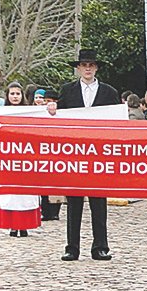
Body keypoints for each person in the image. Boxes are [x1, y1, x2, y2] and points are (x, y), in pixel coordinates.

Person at [57, 49, 119, 261]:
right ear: (78, 68)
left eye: (91, 65)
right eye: (84, 65)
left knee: (98, 202)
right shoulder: (67, 91)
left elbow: (117, 123)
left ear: (96, 67)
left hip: (99, 154)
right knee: (73, 202)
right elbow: (57, 120)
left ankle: (100, 246)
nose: (88, 68)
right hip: (74, 153)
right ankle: (72, 246)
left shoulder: (109, 92)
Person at [0, 82, 41, 238]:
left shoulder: (29, 113)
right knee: (10, 194)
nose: (15, 97)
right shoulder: (0, 113)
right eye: (12, 94)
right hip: (8, 158)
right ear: (7, 96)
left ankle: (25, 226)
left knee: (25, 194)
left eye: (17, 94)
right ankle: (12, 226)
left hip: (26, 158)